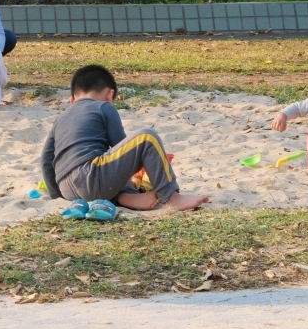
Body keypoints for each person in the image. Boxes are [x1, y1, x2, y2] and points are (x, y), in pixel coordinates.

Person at [41, 65, 210, 216]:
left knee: (107, 160)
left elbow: (46, 160)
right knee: (147, 137)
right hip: (92, 177)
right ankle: (172, 196)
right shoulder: (104, 107)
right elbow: (122, 149)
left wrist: (58, 195)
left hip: (67, 189)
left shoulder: (60, 119)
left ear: (72, 101)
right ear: (110, 94)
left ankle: (123, 196)